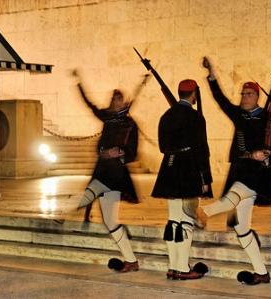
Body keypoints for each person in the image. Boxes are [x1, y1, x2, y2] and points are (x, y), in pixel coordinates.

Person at [197, 57, 271, 285]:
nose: (244, 97)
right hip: (240, 168)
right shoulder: (239, 115)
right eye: (243, 94)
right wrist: (212, 74)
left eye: (248, 94)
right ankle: (261, 273)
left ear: (257, 97)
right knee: (242, 227)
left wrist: (267, 154)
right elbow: (220, 99)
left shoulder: (269, 118)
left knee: (232, 197)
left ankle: (203, 213)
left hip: (258, 173)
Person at [73, 69, 140, 273]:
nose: (115, 100)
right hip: (102, 170)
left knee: (86, 197)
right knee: (110, 221)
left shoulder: (130, 124)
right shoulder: (108, 118)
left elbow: (132, 153)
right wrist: (79, 83)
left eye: (119, 98)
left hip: (115, 174)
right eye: (114, 97)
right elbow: (89, 105)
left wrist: (117, 152)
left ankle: (69, 207)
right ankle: (131, 260)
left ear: (124, 101)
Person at [152, 79, 213, 280]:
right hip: (189, 168)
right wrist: (206, 178)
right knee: (187, 219)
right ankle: (183, 269)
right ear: (194, 94)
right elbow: (202, 150)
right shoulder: (196, 117)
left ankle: (173, 266)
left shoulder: (165, 116)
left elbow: (162, 147)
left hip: (169, 167)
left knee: (173, 220)